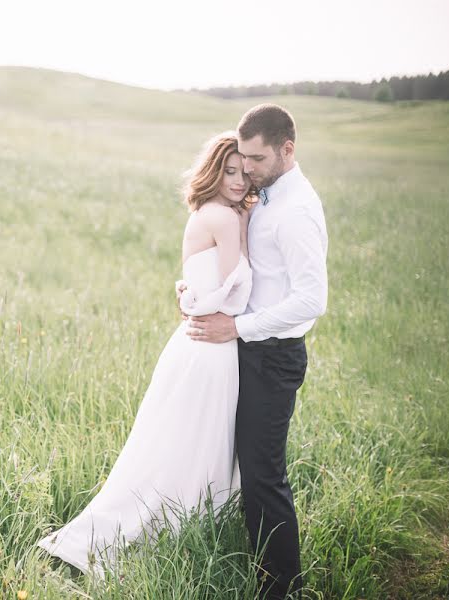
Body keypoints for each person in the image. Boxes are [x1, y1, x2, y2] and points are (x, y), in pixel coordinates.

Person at [35, 132, 255, 580]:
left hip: (189, 345)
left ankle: (146, 521)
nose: (237, 180)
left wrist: (191, 296)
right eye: (228, 171)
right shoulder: (229, 221)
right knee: (205, 444)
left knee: (173, 442)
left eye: (242, 172)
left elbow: (200, 282)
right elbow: (236, 293)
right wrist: (246, 231)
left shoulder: (202, 214)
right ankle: (187, 525)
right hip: (214, 347)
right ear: (213, 171)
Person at [186, 104, 328, 599]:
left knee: (264, 474)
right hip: (247, 346)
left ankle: (279, 586)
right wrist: (195, 286)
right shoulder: (263, 194)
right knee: (239, 462)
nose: (246, 167)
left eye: (257, 158)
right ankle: (250, 561)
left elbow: (312, 300)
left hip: (273, 355)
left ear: (288, 150)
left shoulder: (296, 211)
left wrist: (239, 327)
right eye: (241, 157)